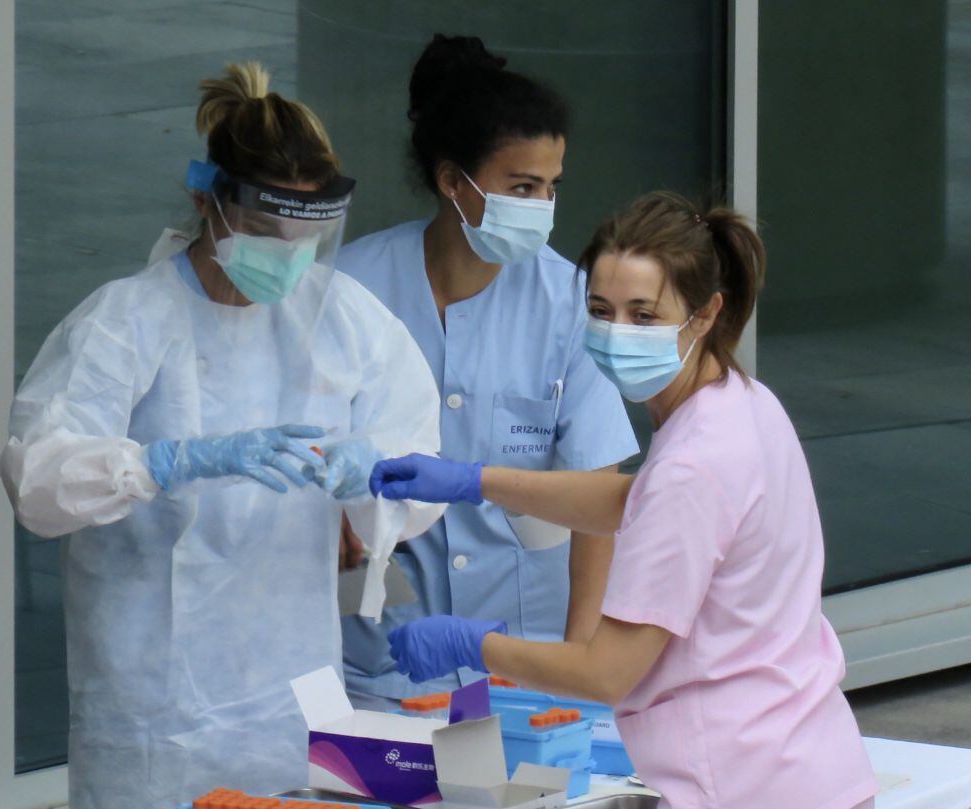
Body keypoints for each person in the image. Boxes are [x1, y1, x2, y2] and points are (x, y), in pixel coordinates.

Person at [0, 62, 444, 809]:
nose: (288, 255)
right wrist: (163, 463)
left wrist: (373, 472)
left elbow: (418, 465)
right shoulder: (127, 321)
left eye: (307, 235)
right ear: (207, 199)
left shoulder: (343, 319)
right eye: (266, 231)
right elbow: (37, 483)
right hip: (153, 707)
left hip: (292, 691)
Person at [371, 193, 879, 809]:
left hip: (741, 782)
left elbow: (605, 673)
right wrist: (475, 481)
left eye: (643, 315)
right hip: (812, 760)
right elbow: (637, 499)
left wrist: (469, 645)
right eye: (600, 311)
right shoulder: (743, 404)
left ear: (706, 313)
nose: (617, 333)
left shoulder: (693, 466)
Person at [335, 34, 638, 709]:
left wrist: (579, 664)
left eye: (551, 187)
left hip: (524, 661)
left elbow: (598, 498)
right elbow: (302, 442)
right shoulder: (352, 288)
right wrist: (332, 516)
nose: (541, 206)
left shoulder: (570, 301)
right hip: (382, 655)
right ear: (453, 181)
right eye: (522, 186)